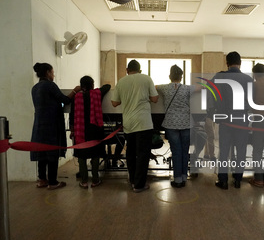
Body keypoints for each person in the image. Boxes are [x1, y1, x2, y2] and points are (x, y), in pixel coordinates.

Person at [31, 62, 81, 190]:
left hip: (39, 124)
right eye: (52, 72)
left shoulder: (35, 88)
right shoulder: (50, 85)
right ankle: (53, 182)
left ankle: (42, 179)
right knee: (52, 152)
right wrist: (75, 91)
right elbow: (65, 100)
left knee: (41, 152)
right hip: (51, 124)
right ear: (47, 73)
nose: (53, 75)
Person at [111, 60, 159, 193]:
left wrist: (126, 98)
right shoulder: (146, 78)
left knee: (130, 153)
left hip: (128, 123)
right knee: (143, 154)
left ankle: (132, 180)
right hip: (144, 123)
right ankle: (139, 185)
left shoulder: (121, 82)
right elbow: (155, 99)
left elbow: (114, 103)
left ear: (127, 70)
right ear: (140, 70)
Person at [209, 51, 254, 189]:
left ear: (227, 63)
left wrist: (212, 113)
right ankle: (238, 180)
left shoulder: (219, 77)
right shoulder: (249, 79)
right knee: (241, 150)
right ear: (240, 63)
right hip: (242, 119)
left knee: (224, 150)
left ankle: (223, 180)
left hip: (225, 119)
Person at [157, 65, 196, 188]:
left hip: (171, 123)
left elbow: (153, 87)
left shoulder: (164, 88)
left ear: (169, 76)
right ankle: (184, 176)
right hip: (186, 123)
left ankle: (178, 179)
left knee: (176, 152)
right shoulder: (187, 88)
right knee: (185, 151)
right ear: (181, 77)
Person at [70, 76, 111, 189]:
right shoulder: (97, 93)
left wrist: (72, 130)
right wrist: (97, 88)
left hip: (80, 130)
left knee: (82, 156)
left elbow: (72, 115)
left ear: (81, 85)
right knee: (95, 154)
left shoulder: (76, 97)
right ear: (92, 85)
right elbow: (108, 86)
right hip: (95, 129)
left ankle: (83, 181)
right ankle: (95, 180)